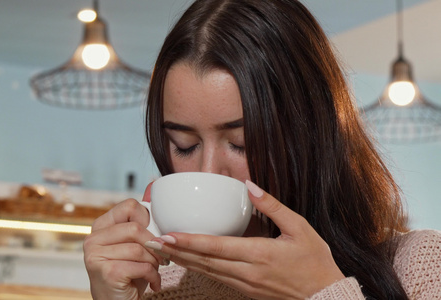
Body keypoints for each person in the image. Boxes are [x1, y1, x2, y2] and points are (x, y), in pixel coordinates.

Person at [83, 0, 441, 298]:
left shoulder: (418, 267)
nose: (208, 172)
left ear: (311, 134)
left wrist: (324, 291)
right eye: (185, 145)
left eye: (242, 144)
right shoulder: (162, 289)